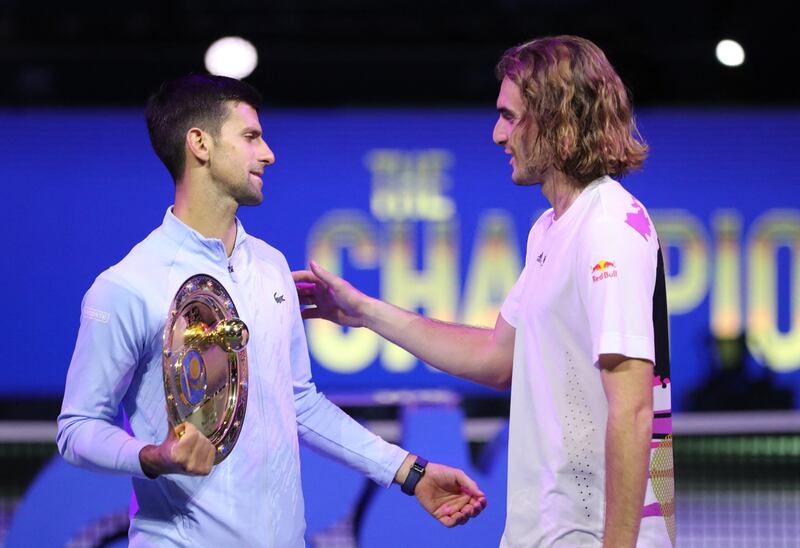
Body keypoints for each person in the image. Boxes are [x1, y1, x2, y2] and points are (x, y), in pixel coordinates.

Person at [56, 74, 486, 546]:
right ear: (199, 144)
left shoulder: (271, 266)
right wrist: (152, 456)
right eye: (251, 137)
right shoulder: (127, 286)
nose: (268, 153)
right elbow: (78, 427)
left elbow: (299, 402)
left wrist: (409, 472)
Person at [295, 35, 674, 547]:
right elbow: (497, 359)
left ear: (559, 117)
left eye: (511, 116)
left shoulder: (610, 226)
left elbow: (632, 409)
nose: (498, 134)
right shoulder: (551, 229)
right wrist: (364, 312)